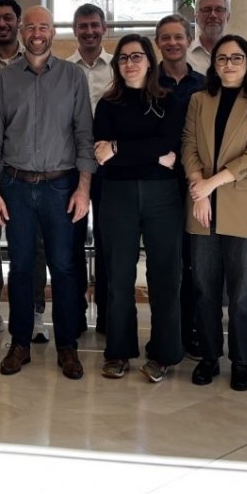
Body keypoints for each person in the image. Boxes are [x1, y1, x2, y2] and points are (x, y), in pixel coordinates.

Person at [0, 5, 96, 381]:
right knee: (19, 267)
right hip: (15, 186)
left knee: (63, 267)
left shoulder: (73, 77)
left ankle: (67, 345)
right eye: (30, 27)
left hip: (61, 186)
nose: (36, 33)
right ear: (21, 31)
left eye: (43, 26)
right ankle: (20, 343)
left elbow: (84, 137)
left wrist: (83, 189)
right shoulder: (3, 80)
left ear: (53, 32)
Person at [182, 35, 247, 392]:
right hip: (201, 205)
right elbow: (188, 145)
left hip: (243, 207)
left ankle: (240, 360)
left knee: (241, 293)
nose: (228, 64)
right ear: (214, 64)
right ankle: (209, 356)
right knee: (205, 289)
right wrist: (199, 188)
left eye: (236, 58)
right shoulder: (199, 100)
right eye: (222, 58)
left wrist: (210, 184)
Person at [94, 34, 185, 382]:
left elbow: (168, 143)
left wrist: (119, 148)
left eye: (136, 56)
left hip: (163, 196)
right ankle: (118, 351)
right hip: (117, 195)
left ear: (150, 60)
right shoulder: (107, 105)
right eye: (123, 58)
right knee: (118, 276)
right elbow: (102, 155)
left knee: (164, 276)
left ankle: (163, 354)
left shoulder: (170, 100)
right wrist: (151, 155)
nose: (130, 63)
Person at [0, 0, 48, 344]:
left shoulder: (36, 61)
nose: (2, 24)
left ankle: (34, 311)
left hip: (26, 168)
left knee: (33, 245)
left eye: (8, 18)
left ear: (19, 23)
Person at [156, 13, 205, 357]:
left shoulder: (203, 84)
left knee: (193, 260)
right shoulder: (148, 82)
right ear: (158, 43)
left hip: (196, 182)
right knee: (166, 262)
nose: (172, 42)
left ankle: (192, 329)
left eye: (178, 36)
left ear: (189, 40)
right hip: (157, 182)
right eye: (166, 37)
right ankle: (167, 333)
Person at [68, 3, 113, 335]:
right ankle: (77, 313)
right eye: (83, 26)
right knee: (72, 243)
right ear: (74, 31)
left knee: (109, 241)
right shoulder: (63, 70)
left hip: (112, 165)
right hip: (72, 165)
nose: (89, 31)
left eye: (95, 25)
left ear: (104, 29)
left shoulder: (117, 67)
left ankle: (109, 314)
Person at [187, 0, 231, 74]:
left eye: (219, 10)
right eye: (206, 10)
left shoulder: (241, 54)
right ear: (196, 17)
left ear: (227, 17)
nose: (213, 15)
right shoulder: (185, 56)